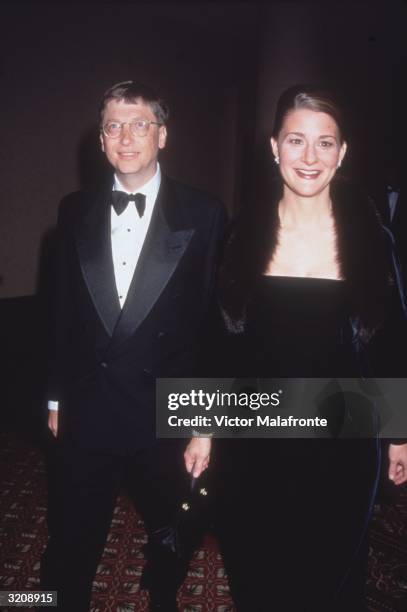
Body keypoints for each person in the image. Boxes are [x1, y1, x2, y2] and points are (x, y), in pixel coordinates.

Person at [215, 85, 407, 611]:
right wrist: (201, 428)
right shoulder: (240, 235)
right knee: (257, 570)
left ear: (342, 153)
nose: (309, 156)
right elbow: (218, 344)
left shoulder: (372, 239)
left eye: (325, 143)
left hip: (341, 443)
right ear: (273, 146)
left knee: (330, 577)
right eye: (296, 140)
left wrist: (398, 436)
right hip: (254, 436)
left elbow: (391, 342)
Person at [40, 80, 225, 612]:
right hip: (87, 404)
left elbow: (215, 326)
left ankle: (162, 596)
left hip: (162, 410)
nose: (126, 137)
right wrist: (55, 397)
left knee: (173, 530)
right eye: (113, 126)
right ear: (100, 140)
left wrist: (204, 421)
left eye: (139, 124)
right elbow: (63, 312)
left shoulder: (204, 212)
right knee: (71, 538)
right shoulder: (73, 208)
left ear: (162, 135)